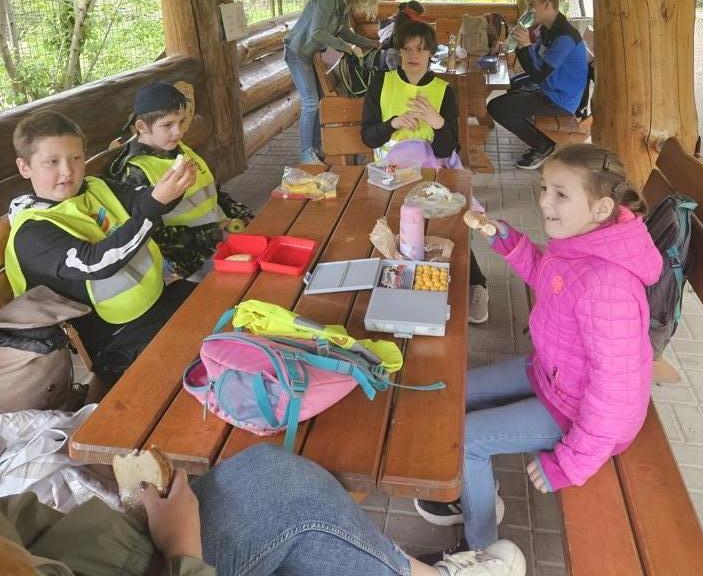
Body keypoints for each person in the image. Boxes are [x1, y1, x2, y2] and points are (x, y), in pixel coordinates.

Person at [416, 144, 661, 551]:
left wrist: (569, 463)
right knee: (454, 391)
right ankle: (477, 489)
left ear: (601, 208)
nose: (545, 201)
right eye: (545, 187)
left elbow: (614, 396)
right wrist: (506, 240)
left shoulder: (608, 287)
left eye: (561, 194)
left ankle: (481, 553)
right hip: (551, 373)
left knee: (468, 437)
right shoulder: (586, 241)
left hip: (580, 413)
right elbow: (549, 276)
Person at [0, 443, 526, 576]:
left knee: (263, 468)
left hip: (104, 551)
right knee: (294, 500)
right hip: (148, 563)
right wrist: (181, 548)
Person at [6, 109, 197, 384]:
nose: (67, 171)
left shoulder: (94, 187)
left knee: (222, 307)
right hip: (112, 343)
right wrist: (155, 205)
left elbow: (144, 201)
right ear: (25, 167)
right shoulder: (32, 232)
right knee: (198, 359)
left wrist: (172, 189)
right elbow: (95, 262)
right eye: (52, 162)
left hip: (154, 302)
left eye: (76, 158)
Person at [361, 20, 491, 327]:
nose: (413, 55)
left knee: (445, 220)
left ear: (431, 53)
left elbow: (447, 149)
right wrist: (393, 123)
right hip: (391, 172)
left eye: (420, 49)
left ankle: (477, 284)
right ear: (398, 52)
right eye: (406, 49)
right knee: (391, 220)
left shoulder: (442, 90)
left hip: (433, 171)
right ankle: (402, 279)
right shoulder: (381, 82)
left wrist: (436, 121)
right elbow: (368, 137)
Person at [109, 82, 253, 280]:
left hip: (218, 241)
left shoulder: (179, 149)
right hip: (188, 263)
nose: (179, 132)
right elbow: (152, 235)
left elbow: (212, 192)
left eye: (182, 121)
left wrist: (241, 213)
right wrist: (215, 234)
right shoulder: (134, 173)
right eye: (167, 125)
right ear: (142, 127)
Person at [487, 0, 588, 170]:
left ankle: (543, 145)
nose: (528, 11)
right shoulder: (548, 29)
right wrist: (519, 45)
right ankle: (536, 136)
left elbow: (538, 74)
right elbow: (537, 64)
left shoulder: (564, 37)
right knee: (514, 85)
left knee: (496, 107)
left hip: (560, 99)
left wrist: (525, 46)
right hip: (550, 88)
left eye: (531, 5)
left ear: (547, 5)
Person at [284, 0, 380, 164]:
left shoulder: (341, 3)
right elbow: (317, 32)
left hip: (309, 54)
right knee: (310, 103)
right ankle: (305, 154)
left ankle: (317, 147)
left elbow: (344, 32)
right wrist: (346, 47)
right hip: (297, 53)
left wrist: (368, 43)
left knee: (318, 101)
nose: (363, 1)